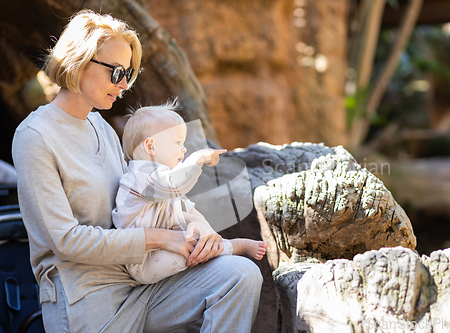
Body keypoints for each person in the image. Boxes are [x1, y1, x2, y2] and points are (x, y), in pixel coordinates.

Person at [12, 9, 263, 332]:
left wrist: (201, 227)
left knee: (238, 276)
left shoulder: (100, 127)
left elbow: (147, 193)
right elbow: (66, 241)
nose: (125, 84)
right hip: (86, 298)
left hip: (141, 281)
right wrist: (161, 239)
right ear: (80, 60)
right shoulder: (35, 137)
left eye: (129, 74)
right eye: (117, 72)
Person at [113, 100, 267, 284]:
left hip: (163, 247)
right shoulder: (140, 175)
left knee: (198, 239)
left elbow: (187, 207)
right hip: (142, 260)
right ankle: (234, 246)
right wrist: (197, 159)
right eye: (177, 142)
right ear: (150, 146)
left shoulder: (159, 180)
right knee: (194, 250)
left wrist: (204, 226)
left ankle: (227, 245)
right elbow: (174, 184)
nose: (184, 149)